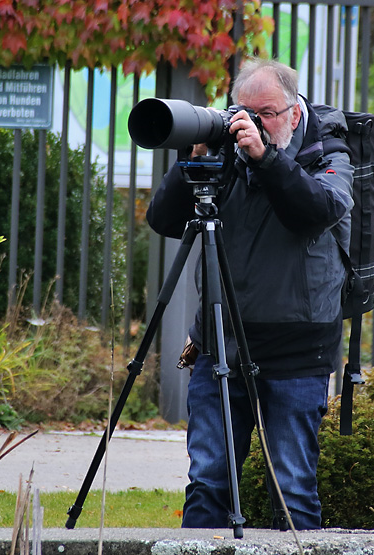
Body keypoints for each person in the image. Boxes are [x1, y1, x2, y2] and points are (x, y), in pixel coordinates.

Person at [146, 58, 354, 530]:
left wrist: (266, 158)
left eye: (267, 113)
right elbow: (163, 220)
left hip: (296, 354)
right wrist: (195, 162)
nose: (255, 122)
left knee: (292, 489)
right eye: (246, 111)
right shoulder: (224, 152)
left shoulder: (329, 153)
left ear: (294, 113)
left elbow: (315, 211)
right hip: (221, 347)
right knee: (208, 484)